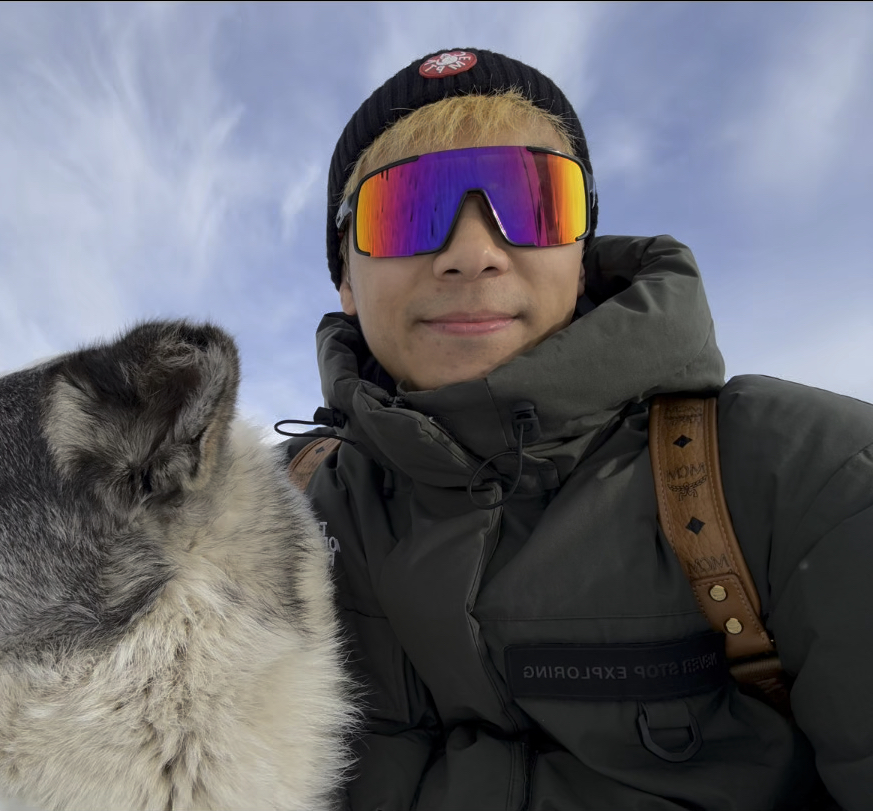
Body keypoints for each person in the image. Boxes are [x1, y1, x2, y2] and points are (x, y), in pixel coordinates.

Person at [279, 47, 873, 810]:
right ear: (346, 281)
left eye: (529, 200)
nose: (472, 253)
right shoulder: (249, 522)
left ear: (581, 253)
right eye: (405, 210)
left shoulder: (805, 478)